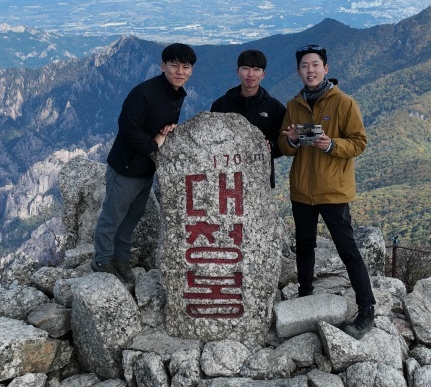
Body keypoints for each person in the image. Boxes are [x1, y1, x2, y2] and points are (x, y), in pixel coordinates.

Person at [276, 43, 376, 337]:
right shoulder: (294, 105)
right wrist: (292, 139)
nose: (310, 70)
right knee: (304, 247)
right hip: (302, 191)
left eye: (315, 64)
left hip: (333, 192)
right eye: (305, 66)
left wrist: (332, 145)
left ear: (326, 69)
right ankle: (305, 297)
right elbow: (284, 148)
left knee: (348, 250)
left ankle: (367, 308)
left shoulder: (344, 103)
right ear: (298, 71)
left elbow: (359, 142)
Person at [93, 43, 196, 282]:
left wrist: (168, 130)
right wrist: (155, 144)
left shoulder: (175, 94)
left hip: (146, 169)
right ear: (163, 66)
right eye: (174, 65)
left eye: (186, 66)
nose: (180, 71)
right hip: (126, 168)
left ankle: (120, 259)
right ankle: (101, 261)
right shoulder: (145, 93)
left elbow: (159, 127)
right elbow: (128, 128)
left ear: (191, 70)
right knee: (113, 217)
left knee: (132, 218)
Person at [209, 48, 286, 187]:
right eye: (245, 68)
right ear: (237, 71)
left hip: (260, 179)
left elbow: (282, 142)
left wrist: (270, 146)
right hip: (226, 178)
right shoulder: (221, 105)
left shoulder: (275, 108)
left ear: (263, 74)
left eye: (256, 69)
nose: (250, 74)